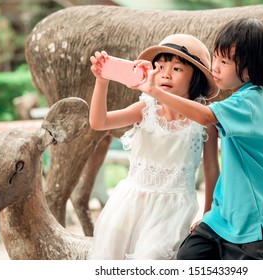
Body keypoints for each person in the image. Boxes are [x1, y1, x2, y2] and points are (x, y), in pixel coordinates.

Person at [133, 18, 263, 260]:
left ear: (249, 69)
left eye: (224, 62)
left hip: (256, 221)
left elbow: (204, 115)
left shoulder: (249, 103)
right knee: (187, 257)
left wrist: (155, 91)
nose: (215, 67)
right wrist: (208, 213)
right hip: (222, 218)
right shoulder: (235, 102)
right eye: (215, 58)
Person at [88, 34, 220, 260]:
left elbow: (211, 169)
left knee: (151, 258)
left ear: (195, 77)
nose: (165, 74)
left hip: (173, 209)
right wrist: (102, 81)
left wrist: (208, 214)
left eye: (177, 69)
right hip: (131, 203)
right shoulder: (145, 108)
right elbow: (99, 122)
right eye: (159, 67)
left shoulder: (204, 118)